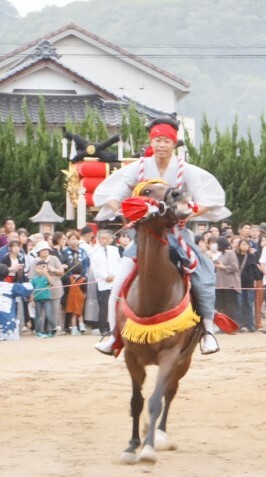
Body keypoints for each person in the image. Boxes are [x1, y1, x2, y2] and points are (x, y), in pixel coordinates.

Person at [91, 117, 230, 355]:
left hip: (178, 234)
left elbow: (209, 200)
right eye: (157, 140)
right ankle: (114, 334)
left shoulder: (186, 170)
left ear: (173, 143)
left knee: (204, 274)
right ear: (151, 141)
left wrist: (187, 210)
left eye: (166, 140)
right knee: (119, 281)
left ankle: (207, 330)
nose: (161, 144)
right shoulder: (138, 167)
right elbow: (114, 193)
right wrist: (122, 210)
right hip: (143, 237)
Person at [89, 229, 121, 336]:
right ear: (98, 239)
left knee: (115, 305)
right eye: (102, 238)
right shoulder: (94, 250)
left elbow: (119, 264)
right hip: (102, 282)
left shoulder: (114, 249)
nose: (105, 240)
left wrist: (113, 275)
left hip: (114, 280)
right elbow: (95, 268)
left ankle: (114, 326)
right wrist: (105, 276)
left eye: (107, 238)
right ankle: (103, 328)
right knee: (103, 306)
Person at [213, 237, 241, 329]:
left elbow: (235, 267)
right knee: (222, 307)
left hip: (229, 284)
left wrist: (223, 267)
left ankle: (234, 326)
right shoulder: (221, 255)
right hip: (220, 284)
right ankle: (225, 326)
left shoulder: (231, 253)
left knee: (230, 307)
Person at [0, 263, 32, 341]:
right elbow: (28, 289)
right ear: (7, 274)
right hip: (7, 325)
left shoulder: (13, 286)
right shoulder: (12, 287)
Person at [236, 238, 260, 332]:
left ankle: (250, 324)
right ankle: (240, 325)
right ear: (239, 246)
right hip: (238, 283)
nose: (244, 246)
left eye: (246, 244)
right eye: (243, 244)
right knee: (240, 304)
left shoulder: (252, 256)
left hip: (249, 283)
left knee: (249, 304)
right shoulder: (235, 256)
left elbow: (255, 269)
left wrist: (255, 279)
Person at [30, 260, 57, 338]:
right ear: (35, 269)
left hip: (47, 299)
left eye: (43, 268)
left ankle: (54, 328)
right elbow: (31, 290)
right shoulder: (34, 279)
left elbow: (52, 284)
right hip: (37, 299)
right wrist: (32, 300)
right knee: (38, 316)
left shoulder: (46, 277)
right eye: (39, 268)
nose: (41, 270)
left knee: (49, 315)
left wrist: (46, 273)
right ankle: (39, 332)